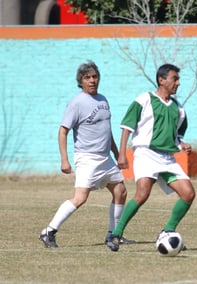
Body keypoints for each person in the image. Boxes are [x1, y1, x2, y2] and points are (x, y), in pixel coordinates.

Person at [39, 60, 135, 247]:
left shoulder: (103, 99)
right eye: (87, 77)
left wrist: (116, 153)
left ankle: (113, 234)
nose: (92, 80)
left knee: (120, 191)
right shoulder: (76, 103)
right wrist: (64, 160)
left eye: (94, 76)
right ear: (80, 81)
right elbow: (63, 131)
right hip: (87, 157)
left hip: (105, 158)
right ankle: (49, 231)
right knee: (80, 198)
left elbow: (106, 130)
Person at [106, 63, 196, 252]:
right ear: (161, 80)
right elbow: (126, 127)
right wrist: (122, 154)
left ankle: (167, 231)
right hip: (146, 153)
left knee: (188, 193)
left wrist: (181, 144)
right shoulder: (144, 99)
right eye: (175, 79)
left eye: (178, 79)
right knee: (142, 193)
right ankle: (116, 234)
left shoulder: (179, 109)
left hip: (167, 158)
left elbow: (176, 135)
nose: (178, 83)